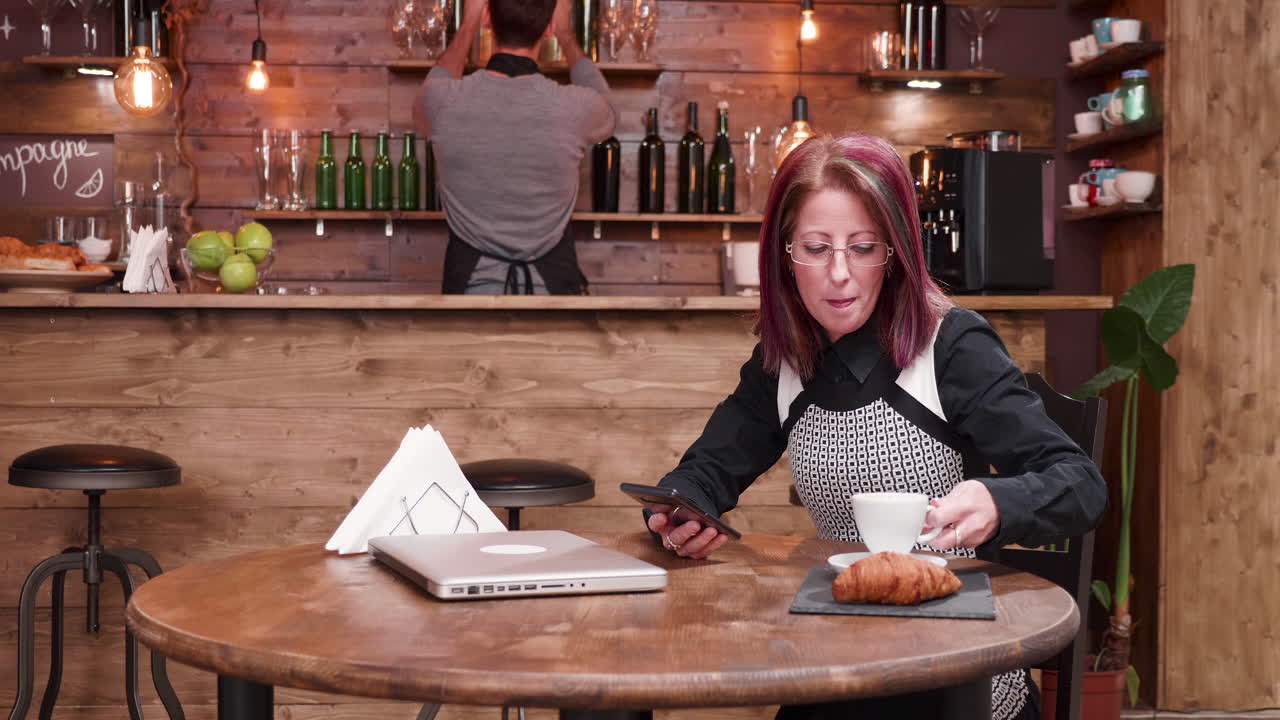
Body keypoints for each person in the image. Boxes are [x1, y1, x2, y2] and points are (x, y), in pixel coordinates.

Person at [643, 134, 1107, 720]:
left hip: (956, 670)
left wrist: (997, 499)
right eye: (816, 248)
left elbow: (1081, 483)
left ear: (894, 251)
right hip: (838, 658)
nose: (840, 274)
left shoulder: (951, 345)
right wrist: (679, 509)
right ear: (784, 254)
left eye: (862, 248)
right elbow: (709, 468)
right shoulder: (786, 358)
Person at [415, 0, 616, 295]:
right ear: (547, 30)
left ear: (488, 19)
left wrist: (468, 22)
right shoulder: (575, 107)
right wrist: (566, 33)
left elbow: (439, 78)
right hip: (554, 303)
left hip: (468, 305)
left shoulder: (440, 101)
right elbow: (608, 104)